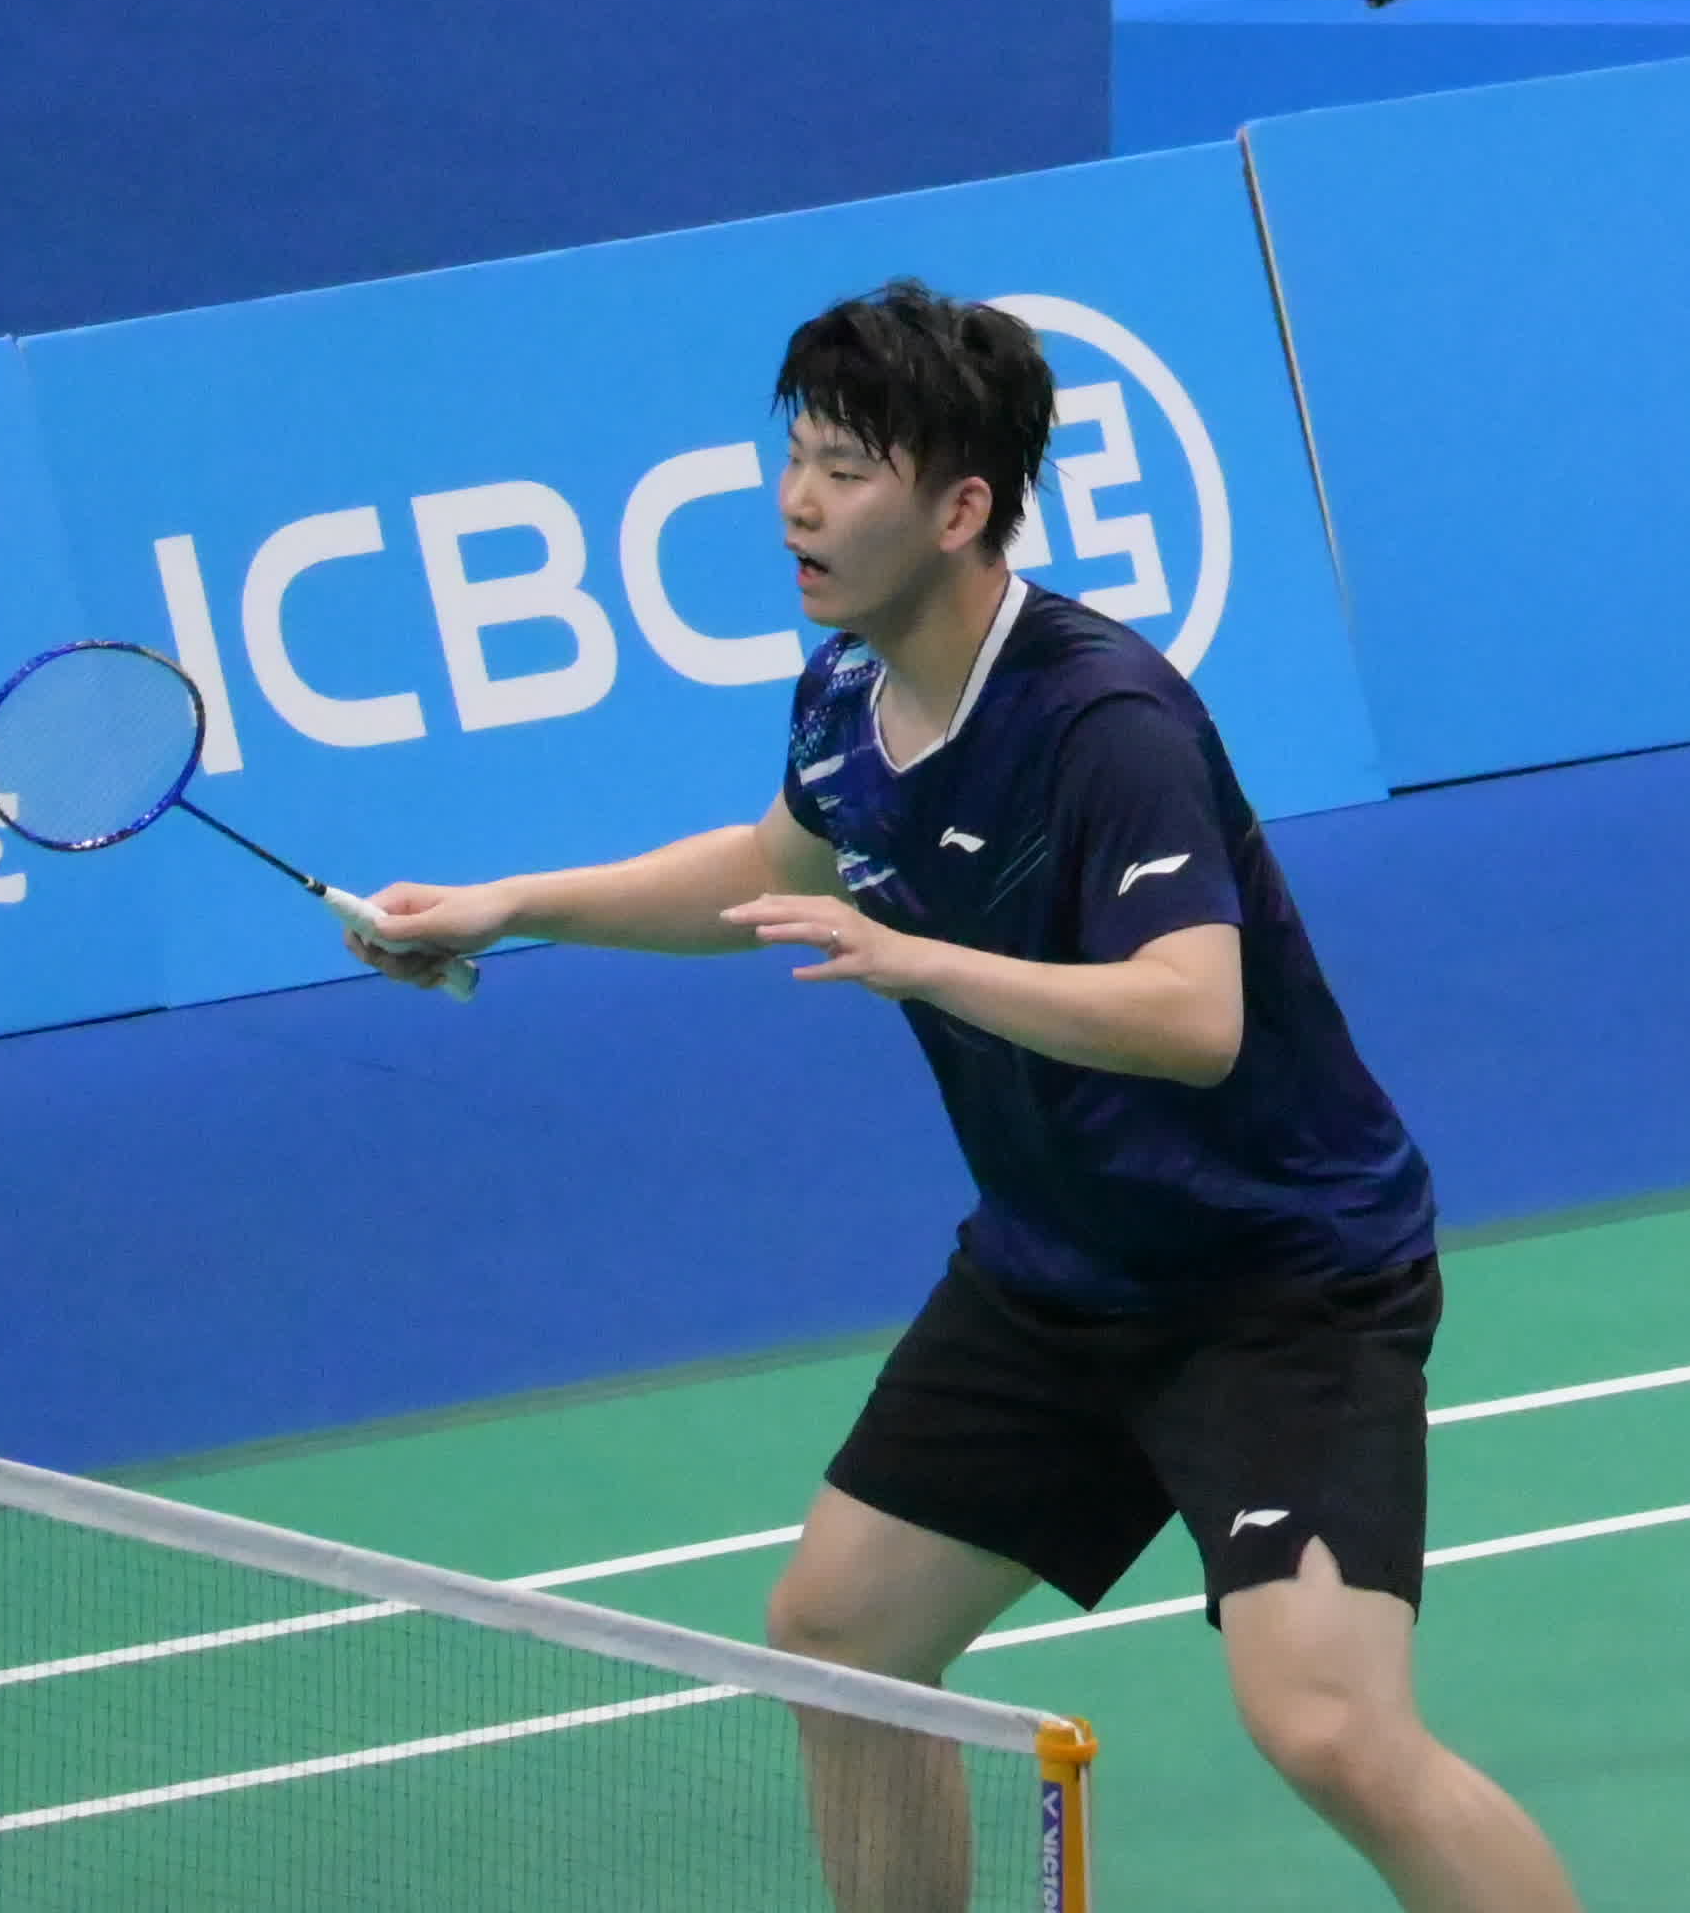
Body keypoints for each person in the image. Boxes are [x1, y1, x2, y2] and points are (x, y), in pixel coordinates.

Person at [351, 286, 1577, 1913]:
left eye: (845, 468)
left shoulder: (1101, 719)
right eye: (795, 455)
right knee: (841, 1639)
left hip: (1278, 1284)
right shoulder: (844, 693)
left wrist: (925, 961)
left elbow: (1192, 1016)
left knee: (1331, 1728)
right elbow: (777, 867)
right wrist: (515, 906)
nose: (795, 502)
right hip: (1057, 1270)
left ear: (958, 508)